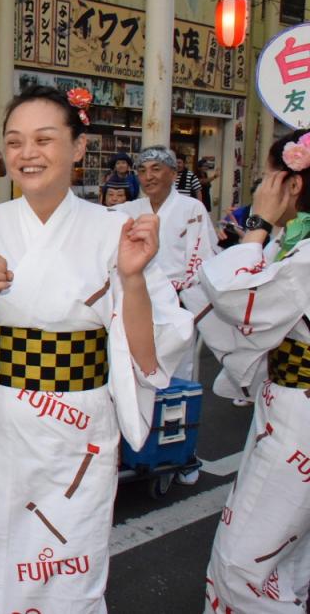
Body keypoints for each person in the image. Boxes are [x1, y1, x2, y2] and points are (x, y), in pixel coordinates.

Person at [0, 86, 191, 613]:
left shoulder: (115, 230)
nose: (27, 153)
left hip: (79, 430)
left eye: (44, 139)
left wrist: (133, 278)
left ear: (78, 148)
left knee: (68, 570)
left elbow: (149, 355)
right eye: (14, 142)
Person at [183, 129, 310, 613]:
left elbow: (239, 301)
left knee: (242, 568)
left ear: (291, 184)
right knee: (287, 563)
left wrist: (256, 224)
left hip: (299, 416)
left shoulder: (303, 249)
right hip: (289, 406)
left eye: (268, 174)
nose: (261, 182)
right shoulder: (296, 241)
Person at [114, 145, 218, 381]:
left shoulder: (192, 208)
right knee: (134, 371)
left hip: (176, 304)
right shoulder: (128, 210)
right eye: (141, 171)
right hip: (136, 299)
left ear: (173, 173)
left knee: (176, 372)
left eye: (156, 169)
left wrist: (183, 295)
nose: (148, 176)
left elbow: (202, 259)